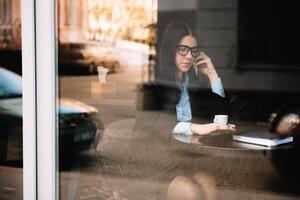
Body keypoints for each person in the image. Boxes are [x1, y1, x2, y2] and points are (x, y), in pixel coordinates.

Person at [158, 21, 236, 135]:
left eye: (193, 51)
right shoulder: (159, 82)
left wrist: (212, 74)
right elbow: (156, 122)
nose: (189, 56)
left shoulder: (194, 82)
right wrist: (194, 127)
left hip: (194, 145)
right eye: (183, 49)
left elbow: (222, 114)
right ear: (170, 50)